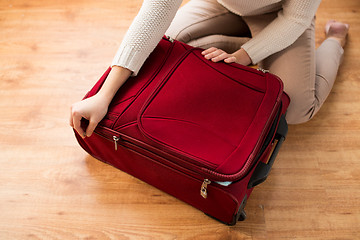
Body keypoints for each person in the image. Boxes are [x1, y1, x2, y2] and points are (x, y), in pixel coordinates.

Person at [70, 0, 349, 138]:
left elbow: (296, 18)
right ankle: (249, 45)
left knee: (297, 108)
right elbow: (154, 13)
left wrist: (243, 56)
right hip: (223, 4)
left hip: (281, 14)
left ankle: (335, 40)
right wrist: (104, 95)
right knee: (166, 45)